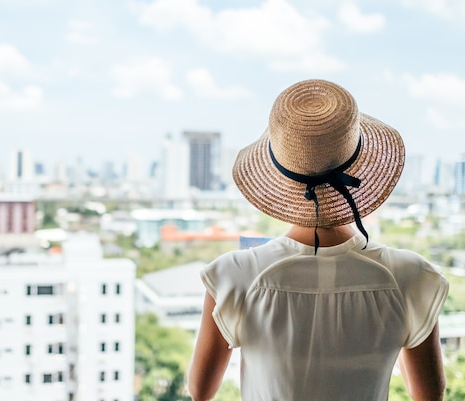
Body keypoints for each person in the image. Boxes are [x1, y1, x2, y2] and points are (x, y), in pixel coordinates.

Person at [188, 79, 449, 401]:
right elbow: (429, 395)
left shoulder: (234, 274)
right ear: (361, 169)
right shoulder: (409, 274)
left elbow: (200, 391)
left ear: (279, 175)